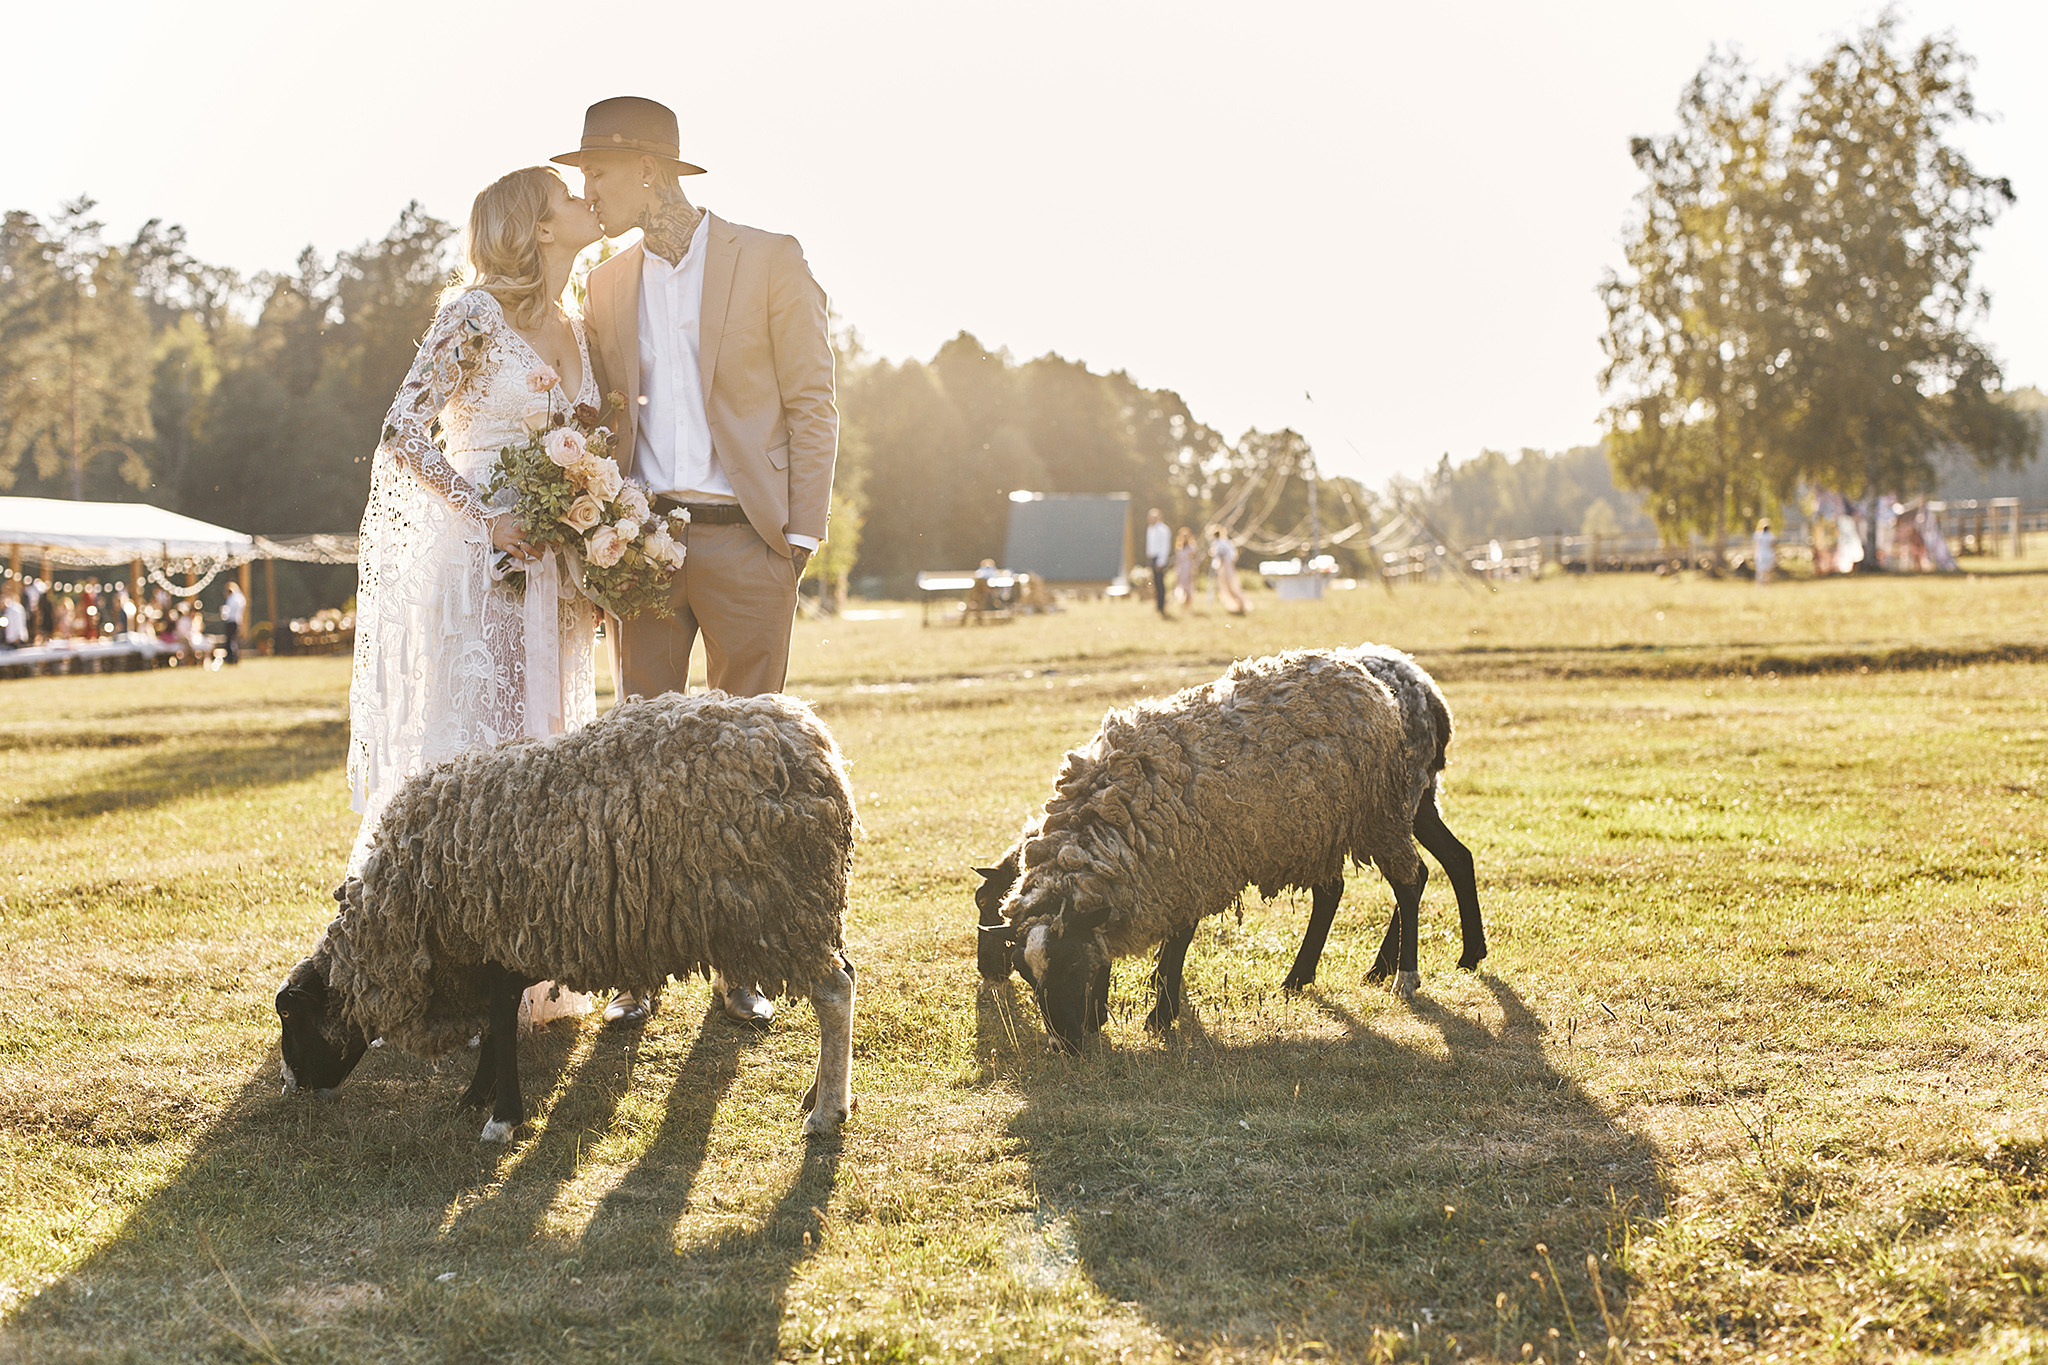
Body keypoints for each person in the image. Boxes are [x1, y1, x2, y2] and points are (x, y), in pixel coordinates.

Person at [563, 96, 839, 1028]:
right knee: (639, 756)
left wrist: (798, 537)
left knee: (748, 764)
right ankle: (638, 965)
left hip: (748, 540)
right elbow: (603, 421)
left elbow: (811, 400)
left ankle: (739, 963)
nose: (583, 190)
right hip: (643, 547)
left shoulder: (770, 258)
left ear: (647, 169)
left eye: (594, 172)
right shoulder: (604, 284)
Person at [347, 164, 607, 1031]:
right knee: (475, 759)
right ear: (537, 227)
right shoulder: (474, 316)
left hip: (555, 582)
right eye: (569, 197)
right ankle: (439, 969)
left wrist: (597, 559)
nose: (585, 204)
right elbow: (404, 430)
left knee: (546, 755)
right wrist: (483, 514)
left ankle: (532, 968)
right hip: (482, 572)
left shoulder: (580, 324)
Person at [1210, 525, 1248, 615]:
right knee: (1228, 586)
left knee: (1229, 586)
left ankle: (1240, 605)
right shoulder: (1225, 542)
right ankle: (1237, 606)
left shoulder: (1219, 543)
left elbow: (1221, 555)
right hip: (1226, 567)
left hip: (1225, 567)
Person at [1144, 507, 1171, 616]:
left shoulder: (1163, 530)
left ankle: (1162, 605)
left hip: (1159, 559)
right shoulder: (1150, 529)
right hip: (1152, 557)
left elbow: (1165, 546)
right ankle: (1157, 604)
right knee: (1155, 583)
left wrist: (1160, 562)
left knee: (1160, 583)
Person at [1173, 526, 1200, 610]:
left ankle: (1188, 604)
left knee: (1189, 587)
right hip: (1181, 569)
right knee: (1181, 586)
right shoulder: (1179, 547)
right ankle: (1184, 603)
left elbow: (1193, 559)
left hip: (1188, 568)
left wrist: (1193, 569)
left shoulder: (1191, 547)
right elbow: (1178, 560)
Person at [221, 581, 246, 664]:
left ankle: (231, 658)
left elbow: (227, 612)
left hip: (230, 621)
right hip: (236, 621)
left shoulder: (231, 599)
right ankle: (235, 658)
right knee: (234, 640)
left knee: (230, 641)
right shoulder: (240, 598)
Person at [1753, 518, 1776, 587]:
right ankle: (1767, 584)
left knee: (1760, 571)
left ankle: (1761, 584)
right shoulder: (1770, 535)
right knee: (1768, 570)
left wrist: (1754, 553)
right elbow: (1772, 546)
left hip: (1760, 554)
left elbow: (1756, 545)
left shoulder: (1757, 535)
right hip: (1768, 554)